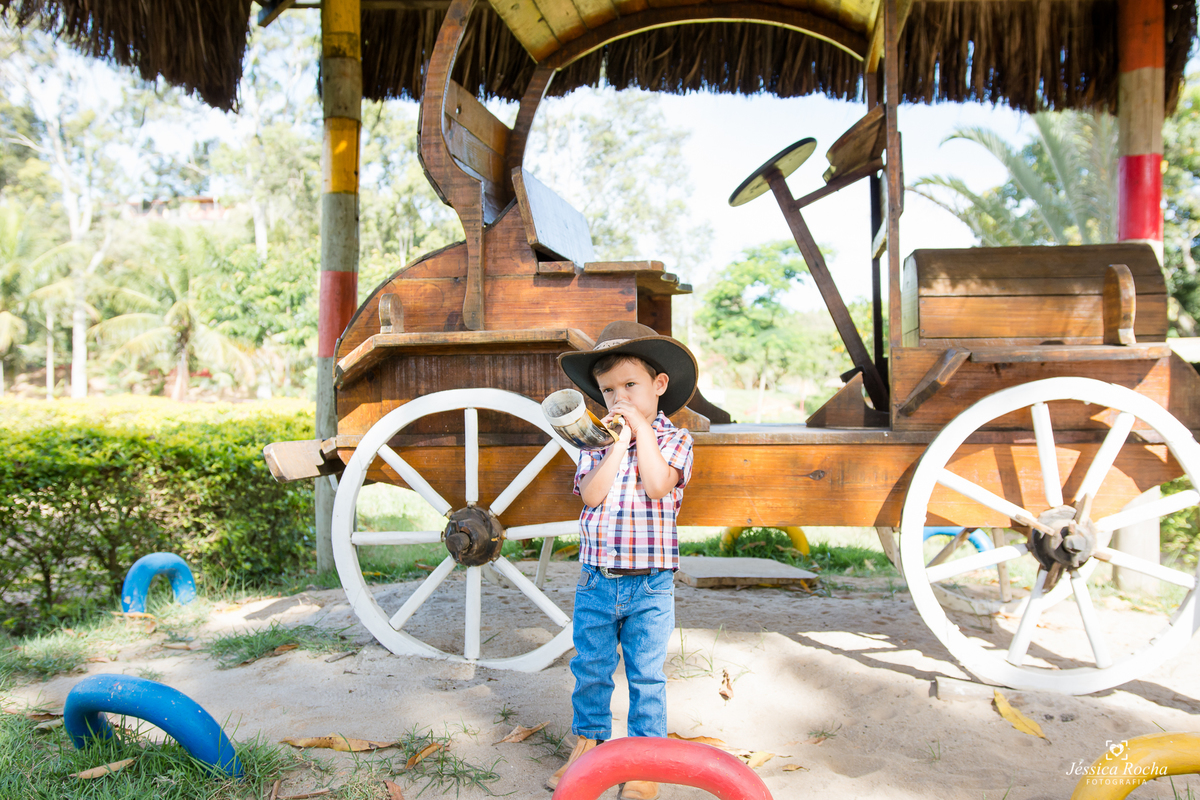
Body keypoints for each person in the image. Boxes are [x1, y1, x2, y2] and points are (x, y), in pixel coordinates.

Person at [546, 320, 697, 800]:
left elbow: (657, 485)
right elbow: (591, 497)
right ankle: (588, 748)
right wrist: (617, 446)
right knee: (590, 668)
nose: (619, 399)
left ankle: (644, 761)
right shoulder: (593, 442)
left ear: (658, 386)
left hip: (651, 585)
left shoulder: (675, 440)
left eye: (630, 386)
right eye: (608, 391)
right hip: (597, 581)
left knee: (645, 673)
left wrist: (642, 435)